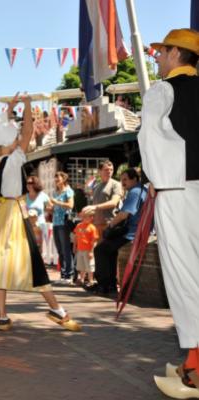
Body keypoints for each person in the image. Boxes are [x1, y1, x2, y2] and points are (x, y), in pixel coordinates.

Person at [0, 92, 80, 333]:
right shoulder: (14, 159)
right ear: (10, 140)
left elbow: (6, 131)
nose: (19, 139)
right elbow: (28, 132)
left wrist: (9, 110)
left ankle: (3, 316)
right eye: (15, 136)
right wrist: (27, 105)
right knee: (33, 261)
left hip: (1, 214)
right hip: (15, 214)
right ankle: (57, 310)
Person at [137, 28, 199, 398]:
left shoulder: (162, 90)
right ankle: (191, 361)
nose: (158, 58)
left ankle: (196, 371)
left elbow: (150, 138)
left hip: (178, 189)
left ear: (176, 53)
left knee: (185, 278)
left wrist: (156, 180)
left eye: (161, 52)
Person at [88, 168, 146, 295]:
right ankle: (110, 285)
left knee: (100, 250)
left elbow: (124, 214)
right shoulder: (143, 189)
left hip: (131, 232)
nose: (123, 183)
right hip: (136, 230)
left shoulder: (135, 192)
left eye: (125, 179)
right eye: (121, 180)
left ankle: (103, 285)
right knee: (109, 250)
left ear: (135, 179)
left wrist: (110, 226)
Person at [81, 160, 123, 239]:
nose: (109, 172)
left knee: (107, 247)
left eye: (111, 170)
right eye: (106, 170)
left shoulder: (116, 184)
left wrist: (94, 207)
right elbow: (95, 204)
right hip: (96, 225)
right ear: (99, 171)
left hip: (109, 224)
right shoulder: (97, 186)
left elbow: (114, 202)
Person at [49, 171, 75, 283]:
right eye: (55, 179)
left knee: (66, 249)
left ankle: (69, 275)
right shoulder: (55, 192)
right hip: (55, 223)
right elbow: (54, 208)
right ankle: (63, 275)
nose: (56, 180)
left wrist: (57, 202)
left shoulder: (68, 191)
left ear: (64, 179)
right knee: (60, 250)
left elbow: (70, 205)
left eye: (58, 178)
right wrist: (49, 207)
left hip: (64, 223)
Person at [25, 175, 50, 256]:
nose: (28, 185)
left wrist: (46, 210)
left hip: (41, 226)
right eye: (27, 183)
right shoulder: (24, 197)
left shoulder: (42, 195)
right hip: (29, 227)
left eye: (30, 183)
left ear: (35, 184)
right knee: (29, 250)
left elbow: (51, 207)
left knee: (41, 250)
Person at [73, 213, 99, 287]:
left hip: (88, 250)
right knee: (81, 266)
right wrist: (74, 246)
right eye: (83, 217)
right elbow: (76, 237)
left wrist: (91, 251)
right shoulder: (79, 225)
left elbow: (94, 241)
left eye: (86, 217)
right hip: (80, 249)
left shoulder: (92, 227)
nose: (84, 218)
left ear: (91, 218)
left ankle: (91, 281)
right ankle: (81, 280)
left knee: (90, 266)